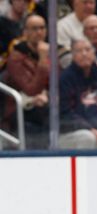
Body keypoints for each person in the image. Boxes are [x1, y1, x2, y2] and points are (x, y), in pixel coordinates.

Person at [58, 38, 97, 149]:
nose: (84, 54)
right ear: (73, 55)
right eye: (79, 51)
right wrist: (91, 129)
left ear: (94, 53)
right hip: (73, 132)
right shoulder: (65, 79)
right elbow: (66, 114)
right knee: (88, 138)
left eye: (87, 50)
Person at [4, 13, 49, 148]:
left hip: (46, 105)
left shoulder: (51, 52)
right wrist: (42, 61)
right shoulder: (16, 57)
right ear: (25, 32)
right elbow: (31, 89)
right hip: (21, 110)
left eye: (42, 28)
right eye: (34, 29)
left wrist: (47, 96)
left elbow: (58, 81)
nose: (39, 32)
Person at [57, 0, 97, 67]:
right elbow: (65, 59)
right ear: (75, 5)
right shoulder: (63, 27)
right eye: (85, 3)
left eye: (91, 3)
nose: (89, 6)